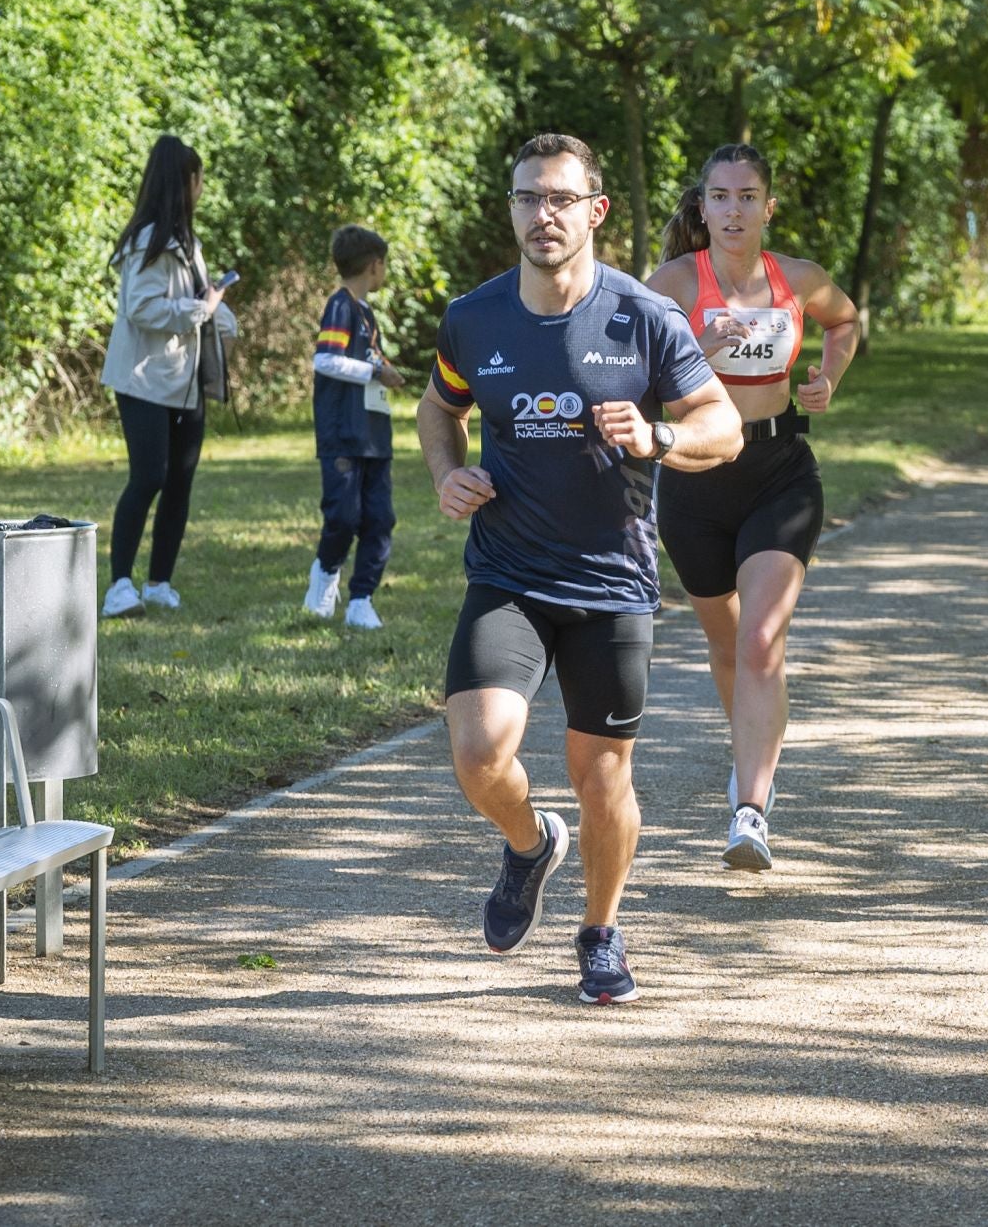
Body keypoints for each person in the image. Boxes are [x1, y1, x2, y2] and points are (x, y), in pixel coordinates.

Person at [418, 133, 742, 1005]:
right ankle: (530, 843)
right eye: (528, 198)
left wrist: (659, 436)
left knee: (605, 780)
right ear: (512, 209)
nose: (543, 215)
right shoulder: (475, 318)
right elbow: (437, 405)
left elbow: (724, 425)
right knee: (480, 753)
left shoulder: (644, 317)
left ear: (594, 210)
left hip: (612, 582)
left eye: (560, 199)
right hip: (509, 573)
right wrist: (448, 474)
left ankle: (600, 930)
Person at [644, 144, 862, 871]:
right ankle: (751, 750)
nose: (733, 210)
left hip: (779, 471)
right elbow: (626, 374)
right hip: (693, 477)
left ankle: (751, 808)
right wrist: (693, 351)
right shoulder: (671, 285)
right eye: (720, 196)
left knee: (762, 640)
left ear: (769, 207)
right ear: (701, 207)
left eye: (747, 197)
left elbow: (845, 321)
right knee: (727, 641)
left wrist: (827, 377)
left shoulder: (796, 279)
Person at [99, 134, 237, 620]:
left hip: (184, 380)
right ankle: (119, 587)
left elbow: (197, 302)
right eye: (199, 179)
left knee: (181, 480)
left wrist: (221, 315)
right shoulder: (147, 241)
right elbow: (141, 308)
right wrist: (202, 309)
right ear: (187, 181)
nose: (202, 188)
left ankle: (159, 583)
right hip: (143, 379)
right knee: (149, 476)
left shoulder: (187, 243)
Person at [303, 225, 407, 630]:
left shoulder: (366, 312)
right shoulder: (340, 306)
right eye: (384, 266)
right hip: (342, 435)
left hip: (374, 436)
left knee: (380, 518)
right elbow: (325, 360)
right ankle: (325, 578)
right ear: (374, 265)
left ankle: (361, 598)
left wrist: (381, 371)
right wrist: (377, 372)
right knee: (344, 516)